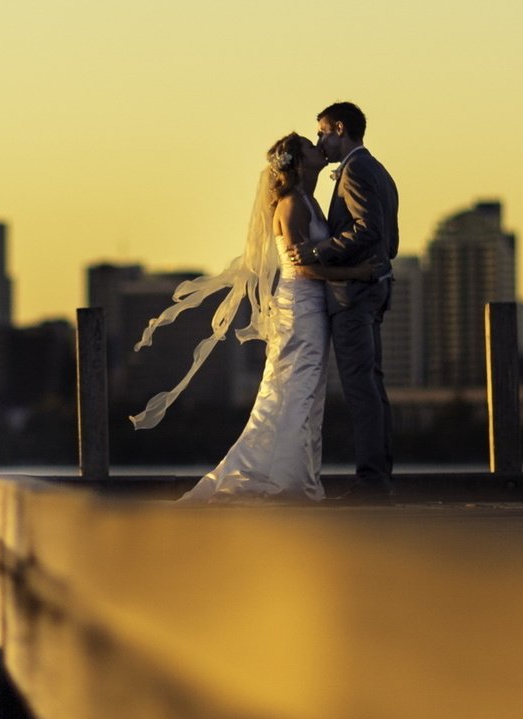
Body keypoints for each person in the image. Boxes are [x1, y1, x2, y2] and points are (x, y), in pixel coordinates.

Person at [129, 132, 381, 501]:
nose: (318, 146)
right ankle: (285, 482)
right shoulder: (292, 204)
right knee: (298, 390)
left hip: (313, 307)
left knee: (305, 393)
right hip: (299, 307)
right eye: (310, 147)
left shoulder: (309, 200)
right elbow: (305, 269)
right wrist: (357, 274)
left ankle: (294, 477)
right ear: (297, 162)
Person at [285, 101, 398, 497]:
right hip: (371, 289)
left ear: (338, 128)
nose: (320, 141)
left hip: (352, 296)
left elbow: (369, 229)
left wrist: (321, 252)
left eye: (322, 133)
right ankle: (380, 477)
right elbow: (390, 239)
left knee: (360, 389)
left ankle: (371, 481)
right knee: (373, 386)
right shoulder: (378, 170)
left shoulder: (355, 171)